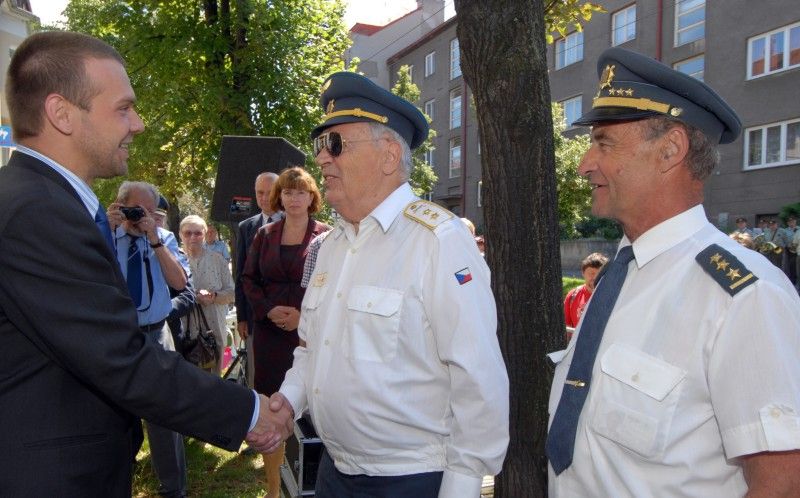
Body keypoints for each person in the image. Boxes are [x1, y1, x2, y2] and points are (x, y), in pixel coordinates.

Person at [0, 30, 288, 497]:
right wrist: (250, 413)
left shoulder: (43, 200)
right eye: (122, 108)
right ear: (61, 113)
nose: (138, 124)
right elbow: (116, 357)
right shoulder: (37, 211)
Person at [546, 47, 800, 497]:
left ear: (670, 150)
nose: (585, 164)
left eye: (603, 142)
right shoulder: (619, 273)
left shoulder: (743, 296)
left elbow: (782, 482)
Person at [267, 71, 509, 497]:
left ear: (388, 155)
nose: (322, 159)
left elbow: (478, 376)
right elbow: (311, 348)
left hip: (411, 480)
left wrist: (462, 487)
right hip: (334, 471)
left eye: (336, 144)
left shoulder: (439, 240)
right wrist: (289, 399)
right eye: (320, 146)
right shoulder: (331, 246)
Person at [241, 166, 329, 498]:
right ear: (280, 197)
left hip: (307, 335)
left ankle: (309, 481)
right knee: (272, 407)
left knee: (308, 406)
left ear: (312, 197)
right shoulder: (264, 236)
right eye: (288, 192)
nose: (294, 198)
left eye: (301, 192)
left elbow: (332, 284)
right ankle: (274, 488)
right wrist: (267, 309)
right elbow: (248, 279)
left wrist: (303, 316)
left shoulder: (326, 236)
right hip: (269, 335)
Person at [235, 171, 282, 387]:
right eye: (259, 193)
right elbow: (241, 275)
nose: (263, 198)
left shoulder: (294, 223)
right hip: (255, 317)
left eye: (269, 192)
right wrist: (242, 316)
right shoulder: (246, 228)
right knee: (258, 377)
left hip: (285, 313)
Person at [180, 214, 236, 373]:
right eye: (188, 233)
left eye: (198, 233)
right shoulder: (175, 260)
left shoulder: (217, 260)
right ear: (180, 235)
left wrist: (214, 297)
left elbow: (233, 293)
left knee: (212, 382)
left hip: (213, 328)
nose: (193, 237)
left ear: (205, 234)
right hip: (185, 329)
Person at [563, 252, 608, 340]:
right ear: (583, 273)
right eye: (591, 273)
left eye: (599, 274)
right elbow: (566, 329)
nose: (595, 278)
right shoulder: (573, 296)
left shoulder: (613, 296)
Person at [781, 215, 798, 286]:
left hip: (799, 249)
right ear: (788, 223)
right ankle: (793, 283)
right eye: (790, 222)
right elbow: (783, 241)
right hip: (790, 251)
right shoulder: (785, 231)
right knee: (792, 267)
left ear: (795, 221)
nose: (791, 223)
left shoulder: (799, 229)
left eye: (793, 221)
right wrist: (788, 245)